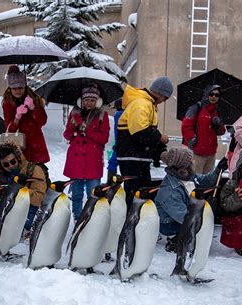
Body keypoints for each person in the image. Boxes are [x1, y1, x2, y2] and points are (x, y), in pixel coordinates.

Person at [154, 147, 228, 252]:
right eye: (190, 160)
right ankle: (176, 238)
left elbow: (205, 181)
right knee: (193, 227)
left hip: (186, 214)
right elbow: (183, 217)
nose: (193, 161)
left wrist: (219, 169)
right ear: (184, 165)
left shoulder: (187, 176)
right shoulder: (170, 190)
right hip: (170, 223)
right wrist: (204, 215)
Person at [116, 76, 172, 207]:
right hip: (132, 158)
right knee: (135, 195)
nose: (163, 101)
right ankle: (131, 222)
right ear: (160, 93)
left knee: (141, 194)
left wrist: (159, 149)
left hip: (138, 158)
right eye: (165, 98)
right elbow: (140, 133)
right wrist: (160, 137)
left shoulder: (148, 104)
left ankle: (136, 221)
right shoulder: (141, 103)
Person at [63, 82, 110, 220]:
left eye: (92, 100)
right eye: (86, 100)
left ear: (97, 101)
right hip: (76, 160)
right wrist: (73, 126)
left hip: (92, 160)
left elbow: (104, 138)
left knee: (93, 193)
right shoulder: (74, 113)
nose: (89, 103)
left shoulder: (102, 115)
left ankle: (91, 219)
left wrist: (86, 129)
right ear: (81, 100)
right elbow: (67, 135)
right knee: (76, 194)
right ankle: (77, 218)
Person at [2, 65, 50, 182]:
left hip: (35, 143)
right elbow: (9, 129)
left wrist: (33, 108)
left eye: (20, 87)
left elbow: (42, 121)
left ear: (25, 86)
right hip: (18, 145)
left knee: (39, 176)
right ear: (10, 88)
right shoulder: (8, 103)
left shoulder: (34, 99)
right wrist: (17, 117)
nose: (18, 90)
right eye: (14, 88)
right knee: (21, 177)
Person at [0, 142, 47, 233]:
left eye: (12, 161)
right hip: (11, 206)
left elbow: (39, 199)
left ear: (18, 158)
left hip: (29, 208)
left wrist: (18, 190)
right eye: (6, 164)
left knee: (18, 228)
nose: (11, 166)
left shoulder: (34, 170)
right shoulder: (2, 174)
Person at [181, 84, 225, 174]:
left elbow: (221, 131)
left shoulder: (217, 111)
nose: (214, 97)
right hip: (196, 153)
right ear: (207, 94)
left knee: (206, 183)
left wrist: (218, 124)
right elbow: (186, 126)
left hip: (211, 153)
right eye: (211, 94)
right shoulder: (196, 108)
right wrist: (193, 139)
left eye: (217, 95)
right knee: (193, 181)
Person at [106, 99, 123, 182]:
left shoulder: (118, 115)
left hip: (120, 144)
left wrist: (117, 144)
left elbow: (117, 132)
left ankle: (110, 183)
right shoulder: (129, 113)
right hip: (125, 144)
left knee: (112, 163)